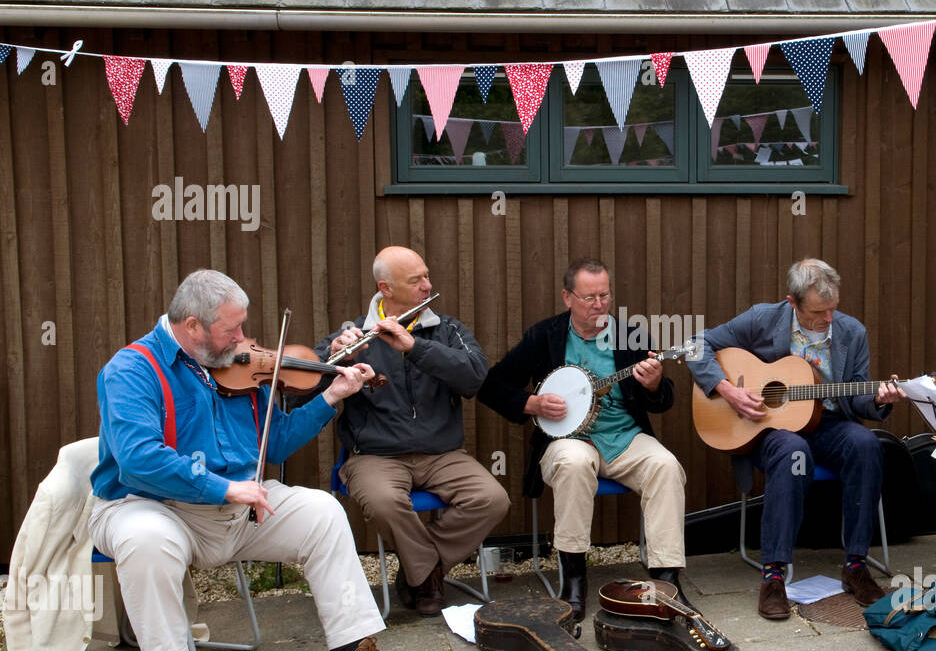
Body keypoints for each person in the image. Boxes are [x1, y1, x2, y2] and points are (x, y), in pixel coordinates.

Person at [90, 270, 420, 651]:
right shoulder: (131, 370)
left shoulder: (237, 364)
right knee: (146, 540)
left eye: (242, 327)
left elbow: (277, 441)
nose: (243, 341)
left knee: (322, 513)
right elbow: (139, 460)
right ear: (191, 326)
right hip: (149, 505)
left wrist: (332, 396)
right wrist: (224, 487)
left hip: (234, 508)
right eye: (231, 330)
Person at [688, 259, 906, 620]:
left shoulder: (852, 332)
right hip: (771, 428)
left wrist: (879, 399)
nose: (829, 319)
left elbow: (856, 395)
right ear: (792, 302)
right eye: (819, 312)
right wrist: (728, 390)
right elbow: (695, 345)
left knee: (867, 445)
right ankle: (773, 575)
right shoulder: (763, 319)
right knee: (793, 451)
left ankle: (855, 564)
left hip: (829, 423)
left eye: (833, 308)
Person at [478, 258, 690, 625]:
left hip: (623, 436)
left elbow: (663, 401)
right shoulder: (544, 337)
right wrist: (533, 403)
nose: (599, 304)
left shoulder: (631, 336)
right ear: (567, 297)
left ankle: (666, 582)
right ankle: (574, 579)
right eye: (589, 296)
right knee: (574, 464)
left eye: (604, 295)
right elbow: (492, 386)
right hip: (567, 439)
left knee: (666, 466)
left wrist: (654, 383)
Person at [317, 247, 509, 616]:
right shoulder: (353, 334)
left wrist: (416, 347)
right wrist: (334, 357)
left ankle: (418, 572)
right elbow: (301, 391)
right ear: (386, 288)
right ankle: (428, 577)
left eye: (426, 276)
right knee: (386, 503)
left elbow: (476, 378)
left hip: (442, 453)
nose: (428, 285)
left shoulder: (448, 329)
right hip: (375, 455)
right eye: (416, 280)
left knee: (492, 499)